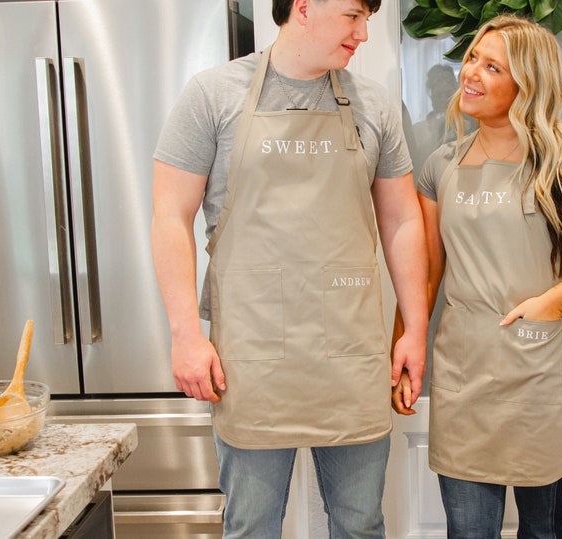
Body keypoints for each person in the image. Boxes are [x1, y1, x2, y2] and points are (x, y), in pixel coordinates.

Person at [150, 0, 428, 536]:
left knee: (360, 524)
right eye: (353, 15)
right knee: (251, 526)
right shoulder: (212, 95)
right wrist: (185, 335)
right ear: (303, 7)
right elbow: (170, 217)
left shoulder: (374, 104)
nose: (363, 33)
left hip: (351, 353)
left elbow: (402, 222)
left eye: (367, 18)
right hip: (250, 359)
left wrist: (413, 329)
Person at [391, 14, 562, 538]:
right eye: (472, 59)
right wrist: (406, 341)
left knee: (543, 527)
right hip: (467, 358)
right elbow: (426, 272)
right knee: (468, 529)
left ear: (527, 83)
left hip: (550, 350)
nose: (471, 73)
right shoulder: (440, 165)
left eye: (493, 67)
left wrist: (553, 302)